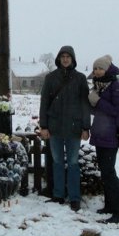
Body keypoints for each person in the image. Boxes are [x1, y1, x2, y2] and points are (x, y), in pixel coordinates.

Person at [39, 46, 90, 211]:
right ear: (59, 59)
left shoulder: (80, 78)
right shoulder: (50, 78)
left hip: (74, 128)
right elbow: (44, 102)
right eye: (63, 56)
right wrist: (44, 126)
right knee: (58, 162)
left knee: (74, 163)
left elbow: (85, 105)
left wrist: (86, 127)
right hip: (54, 128)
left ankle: (75, 197)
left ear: (73, 59)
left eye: (68, 56)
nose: (66, 59)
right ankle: (58, 195)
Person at [88, 55, 119, 224]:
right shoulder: (99, 86)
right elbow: (98, 112)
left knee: (109, 173)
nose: (97, 71)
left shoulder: (115, 86)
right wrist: (92, 104)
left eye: (100, 68)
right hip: (100, 133)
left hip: (111, 135)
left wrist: (97, 101)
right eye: (95, 68)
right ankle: (110, 205)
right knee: (105, 173)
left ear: (107, 69)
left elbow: (116, 110)